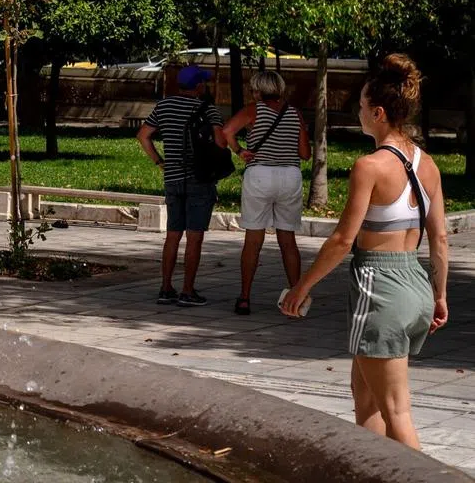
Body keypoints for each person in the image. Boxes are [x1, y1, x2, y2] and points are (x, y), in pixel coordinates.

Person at [281, 54, 448, 450]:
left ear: (378, 113)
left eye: (359, 106)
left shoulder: (370, 166)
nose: (356, 112)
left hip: (380, 288)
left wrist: (301, 287)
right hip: (415, 284)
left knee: (396, 412)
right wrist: (439, 296)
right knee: (366, 399)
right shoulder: (429, 166)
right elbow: (439, 241)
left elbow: (342, 240)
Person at [137, 64, 226, 306]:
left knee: (173, 235)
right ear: (198, 86)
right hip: (200, 179)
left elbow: (143, 135)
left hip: (173, 179)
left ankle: (166, 288)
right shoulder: (208, 109)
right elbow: (221, 143)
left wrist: (159, 161)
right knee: (194, 237)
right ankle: (188, 291)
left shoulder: (164, 106)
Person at [222, 71, 311, 315]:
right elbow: (305, 154)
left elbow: (227, 130)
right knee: (288, 240)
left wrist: (239, 150)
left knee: (253, 239)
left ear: (259, 90)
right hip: (290, 176)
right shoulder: (294, 113)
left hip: (260, 174)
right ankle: (296, 297)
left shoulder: (254, 110)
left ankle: (244, 297)